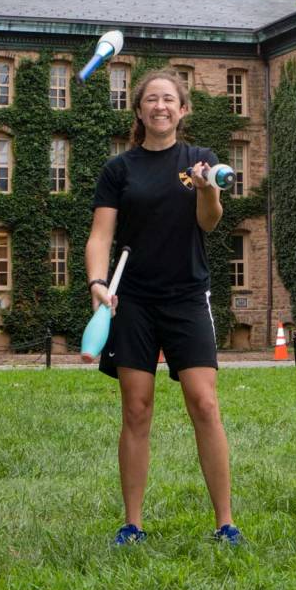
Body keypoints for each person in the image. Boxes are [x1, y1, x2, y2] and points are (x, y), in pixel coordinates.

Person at [86, 69, 238, 547]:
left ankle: (225, 523)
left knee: (205, 402)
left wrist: (207, 188)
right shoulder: (120, 170)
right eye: (151, 99)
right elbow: (100, 236)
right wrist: (96, 283)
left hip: (188, 297)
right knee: (136, 408)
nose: (160, 106)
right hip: (133, 301)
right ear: (139, 110)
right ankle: (132, 524)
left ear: (182, 110)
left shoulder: (201, 162)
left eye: (169, 99)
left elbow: (210, 224)